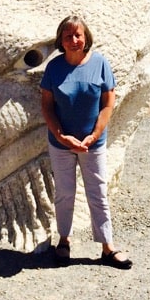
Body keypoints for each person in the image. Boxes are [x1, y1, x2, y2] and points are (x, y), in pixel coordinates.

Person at [40, 15, 133, 270]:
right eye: (68, 36)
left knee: (98, 192)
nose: (74, 40)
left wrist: (94, 135)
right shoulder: (54, 68)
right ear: (61, 40)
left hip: (93, 143)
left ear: (86, 37)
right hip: (61, 143)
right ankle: (64, 240)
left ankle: (107, 247)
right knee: (65, 193)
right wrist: (61, 135)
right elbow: (46, 105)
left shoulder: (100, 64)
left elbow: (108, 103)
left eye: (78, 35)